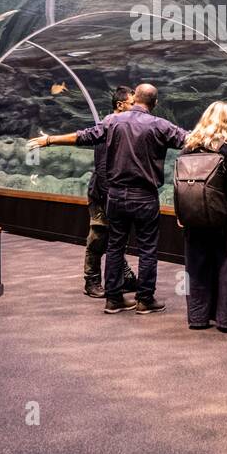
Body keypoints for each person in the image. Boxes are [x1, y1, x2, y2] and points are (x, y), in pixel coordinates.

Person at [28, 83, 187, 314]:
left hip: (116, 196)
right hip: (144, 197)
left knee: (114, 246)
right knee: (147, 250)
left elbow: (83, 136)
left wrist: (50, 140)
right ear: (155, 103)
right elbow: (189, 139)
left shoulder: (112, 121)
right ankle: (145, 300)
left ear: (136, 98)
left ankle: (113, 299)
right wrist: (223, 134)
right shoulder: (160, 125)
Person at [176, 102, 227, 333]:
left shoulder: (190, 144)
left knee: (197, 265)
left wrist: (182, 212)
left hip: (194, 214)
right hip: (225, 217)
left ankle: (198, 317)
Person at [82, 86, 138, 298]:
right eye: (132, 105)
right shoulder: (109, 125)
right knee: (99, 236)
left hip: (115, 193)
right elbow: (104, 167)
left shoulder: (123, 126)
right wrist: (110, 196)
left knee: (116, 236)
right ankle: (92, 281)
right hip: (102, 193)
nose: (136, 109)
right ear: (120, 105)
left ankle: (123, 277)